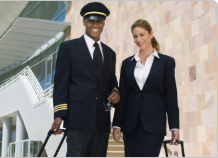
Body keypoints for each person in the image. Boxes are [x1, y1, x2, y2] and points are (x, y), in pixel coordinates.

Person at [51, 2, 120, 157]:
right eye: (91, 21)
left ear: (104, 23)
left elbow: (111, 82)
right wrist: (59, 114)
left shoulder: (110, 53)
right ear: (84, 22)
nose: (95, 25)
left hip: (102, 120)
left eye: (99, 21)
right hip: (78, 119)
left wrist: (115, 91)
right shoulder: (68, 48)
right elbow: (61, 83)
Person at [112, 19, 180, 157]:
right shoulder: (127, 63)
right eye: (135, 36)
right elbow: (123, 95)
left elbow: (170, 96)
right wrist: (117, 124)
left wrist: (174, 126)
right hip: (131, 125)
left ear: (151, 34)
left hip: (154, 124)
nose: (138, 39)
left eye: (142, 35)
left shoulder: (166, 62)